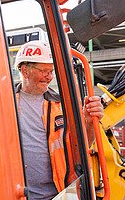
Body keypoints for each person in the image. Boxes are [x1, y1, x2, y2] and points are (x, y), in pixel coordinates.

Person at [14, 40, 104, 200]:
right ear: (25, 70)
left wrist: (89, 122)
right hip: (15, 194)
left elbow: (82, 147)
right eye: (44, 71)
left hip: (59, 195)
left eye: (51, 71)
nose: (50, 77)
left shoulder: (61, 104)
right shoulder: (5, 101)